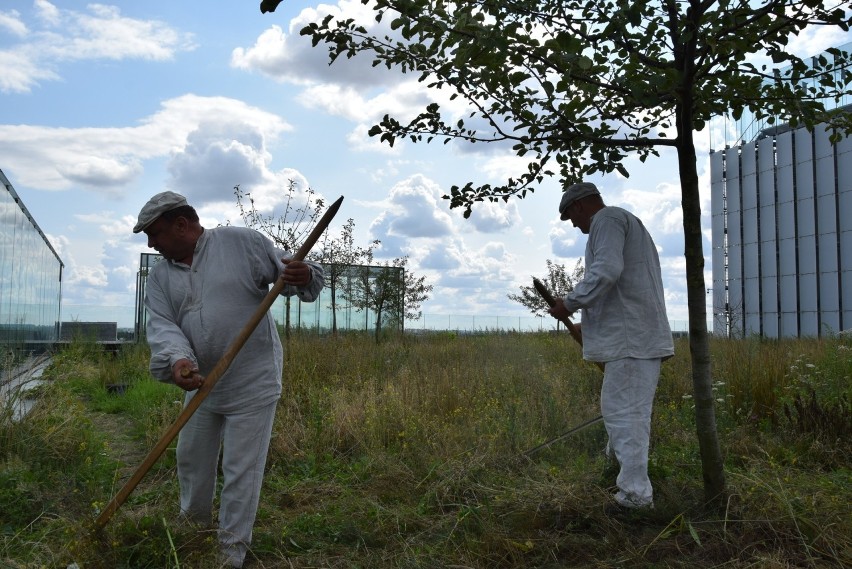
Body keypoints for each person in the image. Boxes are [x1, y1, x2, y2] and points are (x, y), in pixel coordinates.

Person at [133, 191, 324, 567]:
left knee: (241, 469)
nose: (151, 244)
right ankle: (194, 531)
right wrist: (179, 361)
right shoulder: (159, 278)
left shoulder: (242, 243)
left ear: (182, 225)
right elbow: (164, 326)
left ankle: (230, 553)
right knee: (191, 458)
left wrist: (304, 275)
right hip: (202, 383)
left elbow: (295, 271)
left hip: (252, 381)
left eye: (153, 234)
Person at [548, 182, 673, 510]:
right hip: (633, 339)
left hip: (632, 343)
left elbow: (607, 272)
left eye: (571, 218)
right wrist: (586, 325)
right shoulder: (622, 223)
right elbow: (623, 290)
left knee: (625, 417)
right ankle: (619, 479)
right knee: (622, 413)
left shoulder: (606, 220)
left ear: (578, 206)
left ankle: (634, 498)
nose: (575, 226)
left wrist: (570, 303)